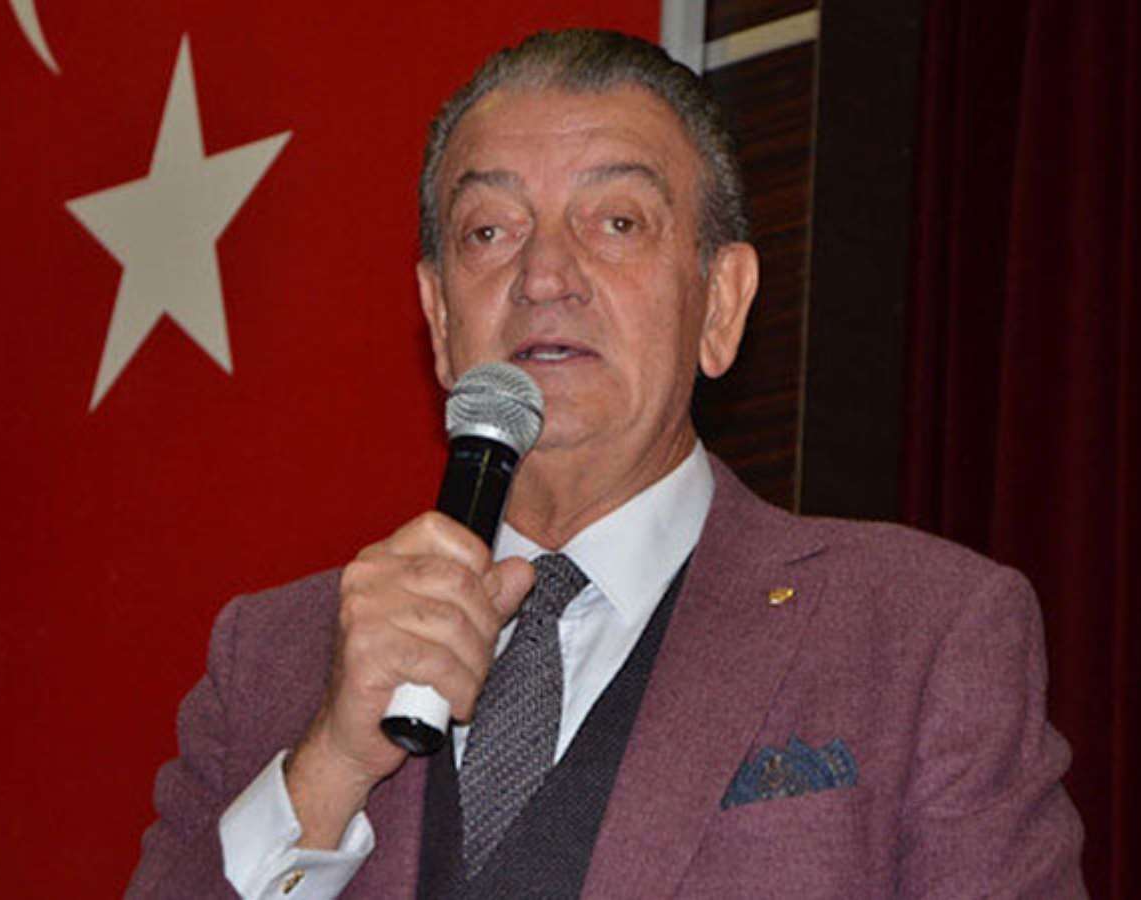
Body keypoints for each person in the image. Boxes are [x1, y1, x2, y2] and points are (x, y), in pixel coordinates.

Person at [127, 29, 1086, 899]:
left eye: (617, 223)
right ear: (440, 319)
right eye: (490, 232)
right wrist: (332, 765)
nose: (544, 275)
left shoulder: (921, 634)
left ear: (721, 303)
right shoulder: (274, 659)